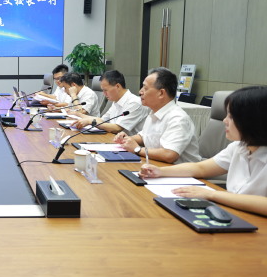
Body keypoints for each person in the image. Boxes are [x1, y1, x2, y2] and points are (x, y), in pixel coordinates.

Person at [140, 86, 267, 217]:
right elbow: (201, 168)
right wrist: (160, 171)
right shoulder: (239, 147)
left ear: (252, 120)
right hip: (235, 213)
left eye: (231, 116)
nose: (224, 120)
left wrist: (211, 194)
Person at [114, 67, 200, 164]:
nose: (140, 92)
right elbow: (144, 136)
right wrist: (127, 139)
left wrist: (137, 149)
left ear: (161, 93)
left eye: (145, 88)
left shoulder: (178, 118)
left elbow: (169, 155)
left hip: (180, 171)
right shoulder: (154, 112)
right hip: (156, 165)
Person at [74, 70, 149, 135]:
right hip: (115, 140)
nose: (104, 94)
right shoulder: (116, 101)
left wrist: (91, 122)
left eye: (105, 90)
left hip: (130, 145)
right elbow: (102, 120)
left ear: (117, 86)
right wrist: (78, 114)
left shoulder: (134, 103)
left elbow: (117, 128)